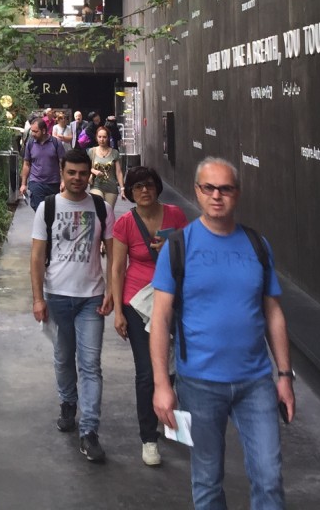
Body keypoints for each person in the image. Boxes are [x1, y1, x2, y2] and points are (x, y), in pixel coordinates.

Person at [150, 158, 294, 510]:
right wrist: (161, 385)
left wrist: (284, 376)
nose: (217, 196)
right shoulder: (178, 247)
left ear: (237, 194)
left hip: (255, 382)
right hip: (198, 383)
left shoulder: (258, 245)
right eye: (209, 188)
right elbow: (161, 319)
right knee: (207, 481)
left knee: (269, 478)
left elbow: (273, 313)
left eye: (225, 188)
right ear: (197, 191)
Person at [30, 147, 115, 463]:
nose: (77, 178)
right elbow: (37, 256)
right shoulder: (48, 207)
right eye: (71, 173)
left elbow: (114, 255)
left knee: (90, 365)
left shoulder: (103, 208)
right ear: (62, 173)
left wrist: (112, 291)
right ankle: (68, 403)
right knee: (64, 357)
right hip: (57, 296)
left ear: (89, 172)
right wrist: (38, 298)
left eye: (82, 173)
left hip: (91, 298)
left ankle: (90, 431)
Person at [109, 166, 188, 467]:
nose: (145, 190)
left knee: (176, 369)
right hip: (138, 303)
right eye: (138, 186)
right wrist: (118, 311)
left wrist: (173, 248)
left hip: (173, 300)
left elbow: (191, 254)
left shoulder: (175, 215)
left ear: (157, 187)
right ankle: (148, 438)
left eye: (150, 185)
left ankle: (174, 424)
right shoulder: (125, 223)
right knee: (146, 372)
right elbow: (118, 268)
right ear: (129, 192)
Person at [19, 117, 66, 212]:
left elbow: (63, 164)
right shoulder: (30, 143)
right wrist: (23, 184)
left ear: (44, 131)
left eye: (36, 131)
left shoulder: (56, 143)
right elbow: (26, 164)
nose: (33, 134)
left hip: (53, 183)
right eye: (32, 131)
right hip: (36, 182)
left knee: (52, 211)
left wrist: (63, 181)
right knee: (39, 210)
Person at [87, 124, 122, 207]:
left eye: (104, 137)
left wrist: (122, 188)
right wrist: (93, 171)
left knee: (108, 211)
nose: (102, 139)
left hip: (111, 187)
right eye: (99, 137)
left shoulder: (114, 153)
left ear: (108, 138)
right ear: (96, 138)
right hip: (96, 186)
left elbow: (119, 172)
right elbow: (86, 168)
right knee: (98, 207)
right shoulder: (92, 151)